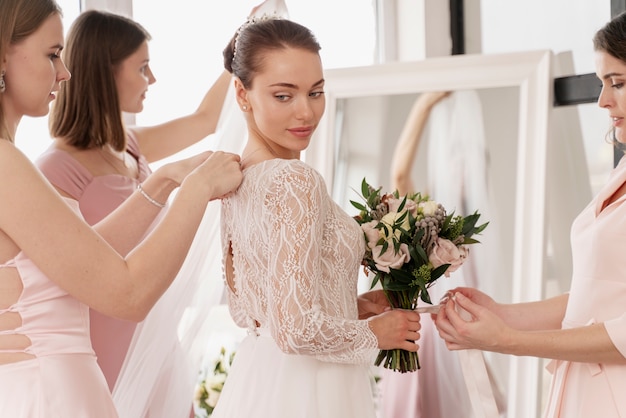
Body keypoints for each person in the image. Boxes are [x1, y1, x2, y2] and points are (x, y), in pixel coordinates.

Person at [0, 1, 242, 417]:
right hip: (53, 397)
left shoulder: (12, 162)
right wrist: (195, 191)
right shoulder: (9, 165)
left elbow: (83, 261)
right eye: (52, 54)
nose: (64, 72)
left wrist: (162, 180)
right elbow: (126, 293)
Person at [212, 16, 422, 418]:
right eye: (283, 96)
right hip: (309, 389)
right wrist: (374, 333)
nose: (306, 112)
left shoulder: (236, 180)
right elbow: (294, 331)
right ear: (242, 93)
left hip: (262, 379)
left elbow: (256, 314)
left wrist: (352, 306)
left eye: (316, 92)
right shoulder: (295, 179)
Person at [434, 11, 626, 418]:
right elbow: (597, 299)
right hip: (583, 387)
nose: (603, 101)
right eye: (602, 84)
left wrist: (506, 340)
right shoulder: (622, 170)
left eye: (619, 84)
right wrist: (503, 315)